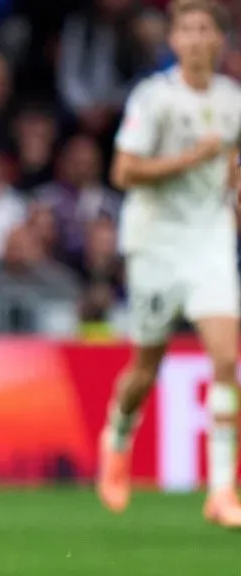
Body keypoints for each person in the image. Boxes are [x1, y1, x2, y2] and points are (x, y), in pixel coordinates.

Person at [97, 0, 241, 527]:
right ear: (175, 40)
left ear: (219, 40)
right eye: (188, 29)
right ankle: (117, 435)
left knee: (226, 360)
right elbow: (123, 171)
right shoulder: (154, 97)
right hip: (155, 243)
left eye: (207, 29)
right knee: (146, 365)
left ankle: (222, 491)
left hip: (210, 241)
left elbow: (232, 169)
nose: (197, 38)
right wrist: (191, 158)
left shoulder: (233, 100)